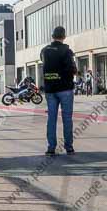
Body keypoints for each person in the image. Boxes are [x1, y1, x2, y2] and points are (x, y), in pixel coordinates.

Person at [40, 26, 77, 156]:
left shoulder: (44, 51)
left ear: (52, 36)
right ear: (64, 36)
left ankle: (51, 147)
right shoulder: (66, 50)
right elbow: (72, 69)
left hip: (50, 89)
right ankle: (69, 147)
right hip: (65, 89)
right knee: (67, 118)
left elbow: (44, 63)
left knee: (51, 119)